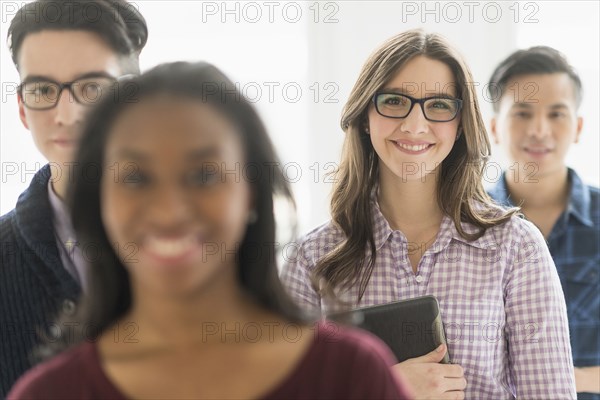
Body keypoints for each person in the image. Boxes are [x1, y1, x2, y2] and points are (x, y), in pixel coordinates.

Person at [7, 62, 413, 399]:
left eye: (204, 175)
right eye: (134, 178)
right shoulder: (50, 393)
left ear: (252, 192)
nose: (169, 210)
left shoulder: (350, 376)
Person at [281, 29, 577, 399]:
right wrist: (381, 388)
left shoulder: (516, 247)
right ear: (365, 115)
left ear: (460, 124)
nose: (415, 125)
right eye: (393, 101)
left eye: (438, 105)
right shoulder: (311, 260)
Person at [0, 0, 148, 395]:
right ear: (22, 108)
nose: (66, 114)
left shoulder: (206, 239)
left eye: (92, 88)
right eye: (44, 89)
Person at [487, 46, 600, 398]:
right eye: (522, 113)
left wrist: (558, 380)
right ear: (494, 127)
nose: (539, 130)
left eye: (556, 114)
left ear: (578, 126)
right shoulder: (462, 224)